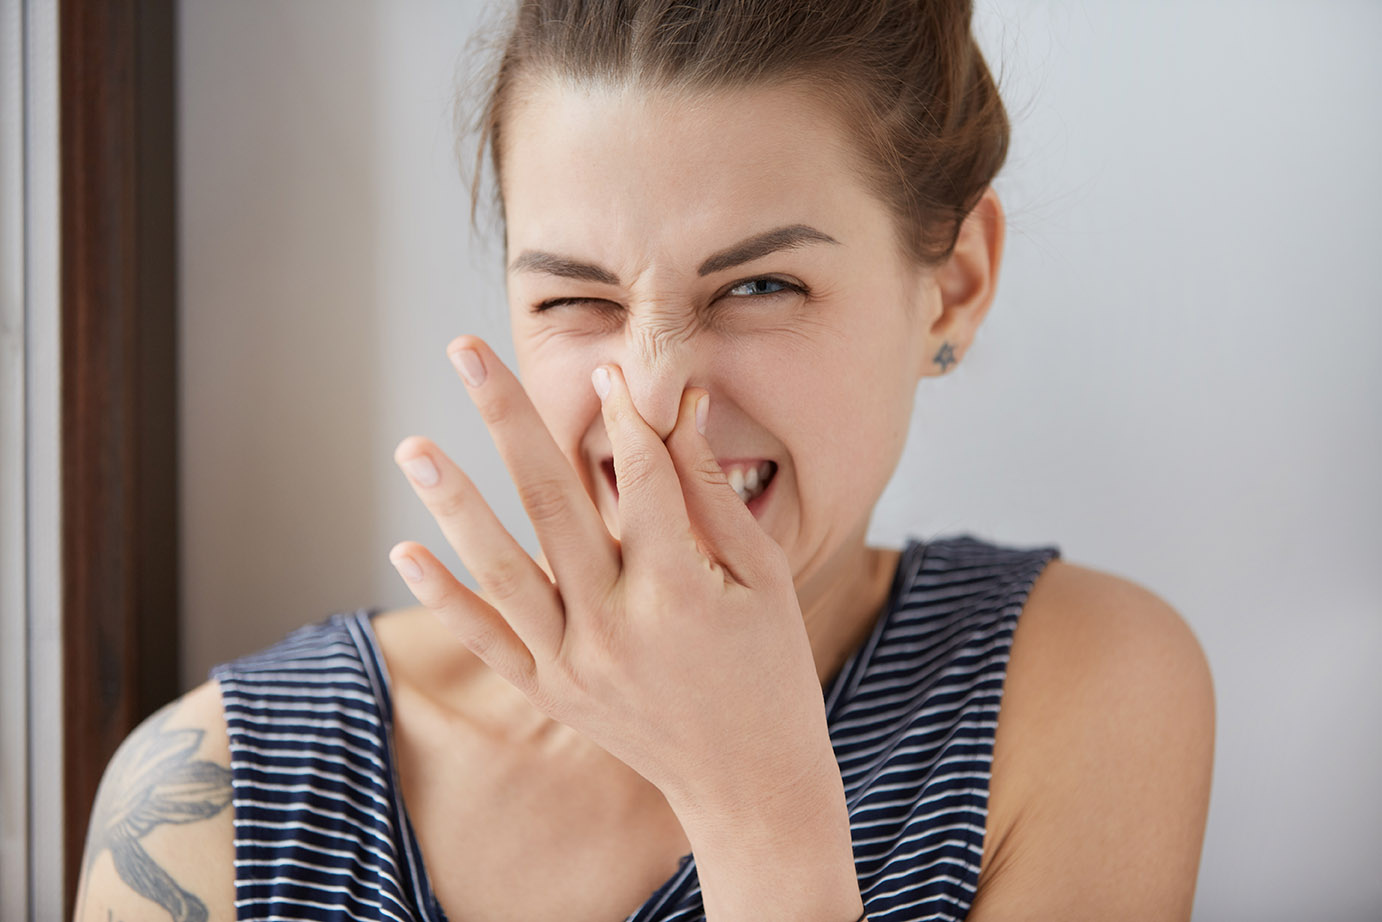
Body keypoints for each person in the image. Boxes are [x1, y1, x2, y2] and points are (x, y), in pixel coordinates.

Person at [74, 1, 1215, 920]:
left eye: (762, 286)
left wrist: (757, 811)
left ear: (952, 282)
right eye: (577, 297)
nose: (658, 392)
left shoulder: (1074, 693)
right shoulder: (213, 798)